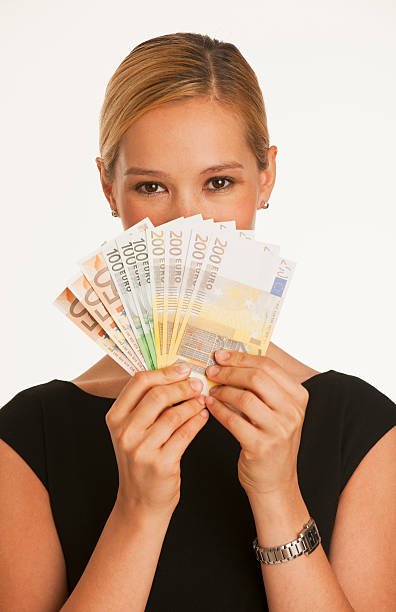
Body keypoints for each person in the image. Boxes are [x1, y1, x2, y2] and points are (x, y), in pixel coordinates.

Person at [1, 32, 395, 612]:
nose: (187, 223)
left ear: (266, 177)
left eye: (218, 183)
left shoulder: (361, 429)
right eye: (151, 186)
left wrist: (279, 497)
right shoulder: (28, 437)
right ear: (109, 188)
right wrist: (139, 512)